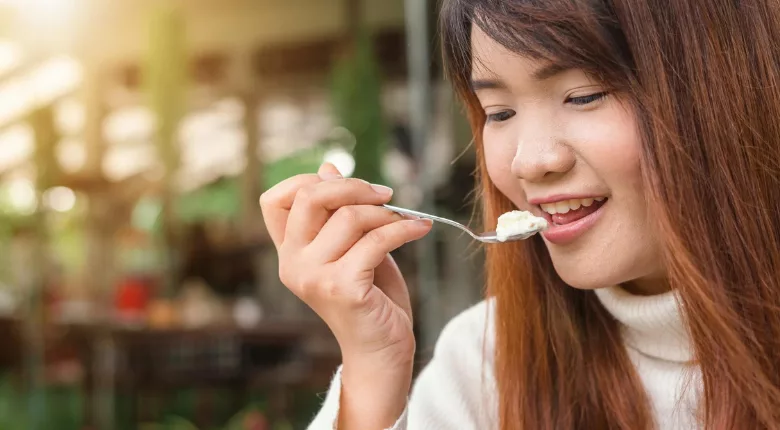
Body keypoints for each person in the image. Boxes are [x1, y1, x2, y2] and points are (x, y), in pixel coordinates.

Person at [259, 0, 780, 428]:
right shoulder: (487, 362)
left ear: (732, 90)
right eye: (499, 113)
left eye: (583, 96)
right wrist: (373, 377)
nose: (528, 162)